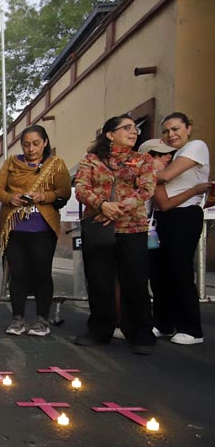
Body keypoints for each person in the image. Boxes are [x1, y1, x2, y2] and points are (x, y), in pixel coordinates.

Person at [73, 114, 156, 353]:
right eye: (126, 128)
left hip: (132, 228)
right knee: (100, 280)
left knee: (136, 281)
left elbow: (146, 188)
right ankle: (100, 329)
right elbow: (81, 188)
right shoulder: (91, 160)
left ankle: (140, 333)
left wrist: (118, 208)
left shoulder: (143, 159)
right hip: (99, 228)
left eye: (135, 129)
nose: (133, 132)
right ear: (110, 134)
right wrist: (102, 205)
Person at [0, 125, 72, 336]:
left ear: (45, 142)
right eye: (26, 144)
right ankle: (17, 319)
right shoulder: (11, 163)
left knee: (41, 273)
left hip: (43, 228)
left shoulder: (55, 164)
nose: (31, 148)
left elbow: (64, 191)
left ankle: (41, 320)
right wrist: (10, 198)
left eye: (36, 143)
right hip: (14, 227)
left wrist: (44, 197)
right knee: (17, 274)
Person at [148, 112, 211, 345]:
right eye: (166, 131)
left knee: (180, 270)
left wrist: (151, 167)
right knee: (159, 272)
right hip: (162, 218)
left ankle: (192, 329)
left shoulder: (196, 147)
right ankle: (163, 323)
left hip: (184, 215)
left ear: (188, 128)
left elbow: (164, 177)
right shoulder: (173, 155)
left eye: (175, 129)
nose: (171, 135)